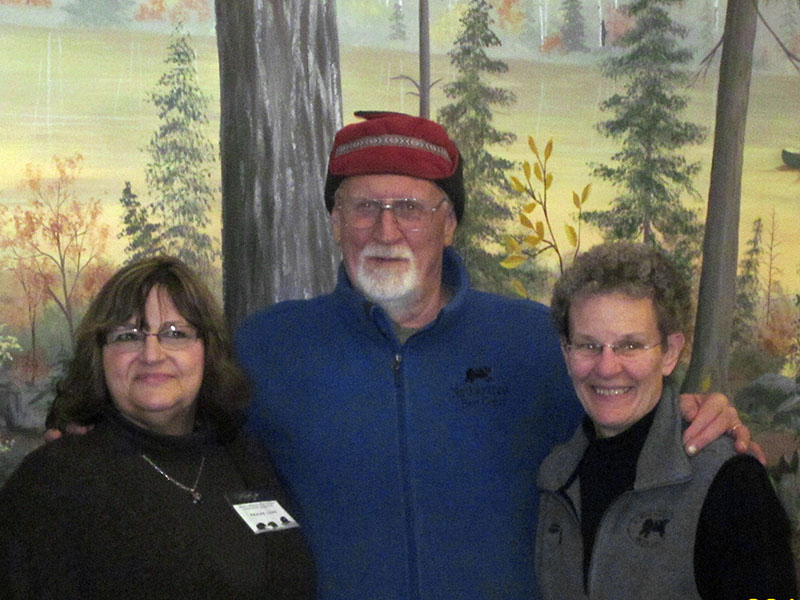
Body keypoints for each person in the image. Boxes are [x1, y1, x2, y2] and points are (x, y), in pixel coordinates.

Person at [234, 111, 753, 599]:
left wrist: (691, 417)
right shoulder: (266, 347)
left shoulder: (536, 341)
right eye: (364, 207)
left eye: (410, 208)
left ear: (449, 224)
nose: (386, 231)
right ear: (335, 220)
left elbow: (621, 424)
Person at [0, 257, 315, 600]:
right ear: (100, 355)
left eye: (175, 333)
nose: (151, 354)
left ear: (208, 350)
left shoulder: (243, 455)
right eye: (128, 336)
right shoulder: (53, 481)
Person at [536, 242, 796, 599]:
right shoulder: (557, 478)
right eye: (588, 345)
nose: (607, 367)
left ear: (670, 353)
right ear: (567, 353)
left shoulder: (729, 482)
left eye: (630, 345)